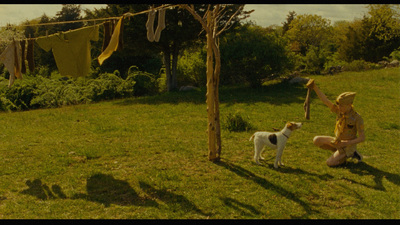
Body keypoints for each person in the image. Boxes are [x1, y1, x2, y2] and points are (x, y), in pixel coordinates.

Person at [306, 79, 365, 167]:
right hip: (338, 141)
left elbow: (362, 138)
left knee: (330, 163)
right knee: (317, 140)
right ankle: (338, 153)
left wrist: (345, 143)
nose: (339, 107)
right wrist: (314, 87)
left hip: (348, 146)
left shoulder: (357, 118)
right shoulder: (339, 111)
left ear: (349, 105)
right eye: (338, 105)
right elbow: (325, 101)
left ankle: (349, 154)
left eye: (341, 106)